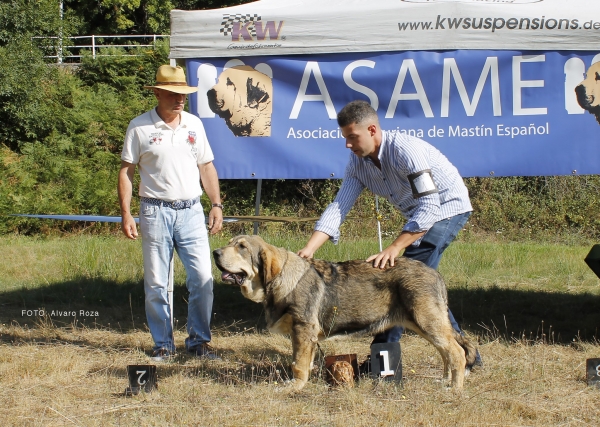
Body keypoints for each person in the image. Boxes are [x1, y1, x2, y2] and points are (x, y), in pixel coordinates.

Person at [298, 100, 480, 358]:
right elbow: (339, 207)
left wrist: (394, 248)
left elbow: (430, 207)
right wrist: (309, 249)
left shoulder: (407, 151)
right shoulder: (357, 163)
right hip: (419, 215)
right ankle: (466, 355)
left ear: (372, 130)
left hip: (447, 207)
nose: (347, 144)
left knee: (402, 280)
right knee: (420, 288)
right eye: (345, 138)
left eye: (352, 137)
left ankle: (381, 363)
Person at [118, 65, 223, 362]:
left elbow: (207, 166)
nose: (180, 100)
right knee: (157, 283)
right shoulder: (139, 127)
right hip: (154, 211)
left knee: (203, 278)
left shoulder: (194, 124)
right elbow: (126, 171)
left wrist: (216, 204)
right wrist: (126, 213)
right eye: (175, 94)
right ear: (158, 93)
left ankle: (199, 342)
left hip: (191, 210)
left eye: (184, 95)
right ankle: (163, 345)